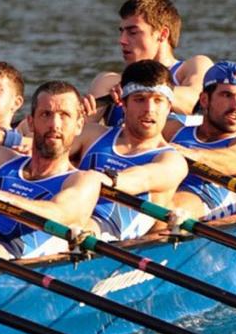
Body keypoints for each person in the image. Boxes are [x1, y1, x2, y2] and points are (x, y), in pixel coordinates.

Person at [0, 81, 104, 259]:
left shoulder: (83, 180)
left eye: (65, 115)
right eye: (46, 114)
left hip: (2, 254)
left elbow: (59, 214)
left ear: (79, 125)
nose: (55, 124)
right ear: (30, 122)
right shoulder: (0, 157)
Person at [74, 60, 188, 240]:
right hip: (63, 217)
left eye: (158, 101)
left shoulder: (172, 162)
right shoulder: (92, 134)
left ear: (168, 107)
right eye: (140, 99)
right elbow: (39, 149)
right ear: (124, 105)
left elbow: (140, 179)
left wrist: (95, 179)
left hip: (97, 234)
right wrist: (70, 118)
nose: (149, 109)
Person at [87, 0, 213, 127]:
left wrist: (136, 87)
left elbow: (198, 103)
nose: (122, 40)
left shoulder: (193, 66)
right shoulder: (108, 82)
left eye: (133, 32)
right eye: (121, 32)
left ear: (163, 34)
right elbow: (77, 133)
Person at [165, 61, 236, 220]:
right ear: (205, 100)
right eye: (227, 95)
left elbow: (226, 161)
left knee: (169, 208)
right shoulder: (173, 129)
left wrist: (179, 154)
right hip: (159, 192)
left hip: (192, 205)